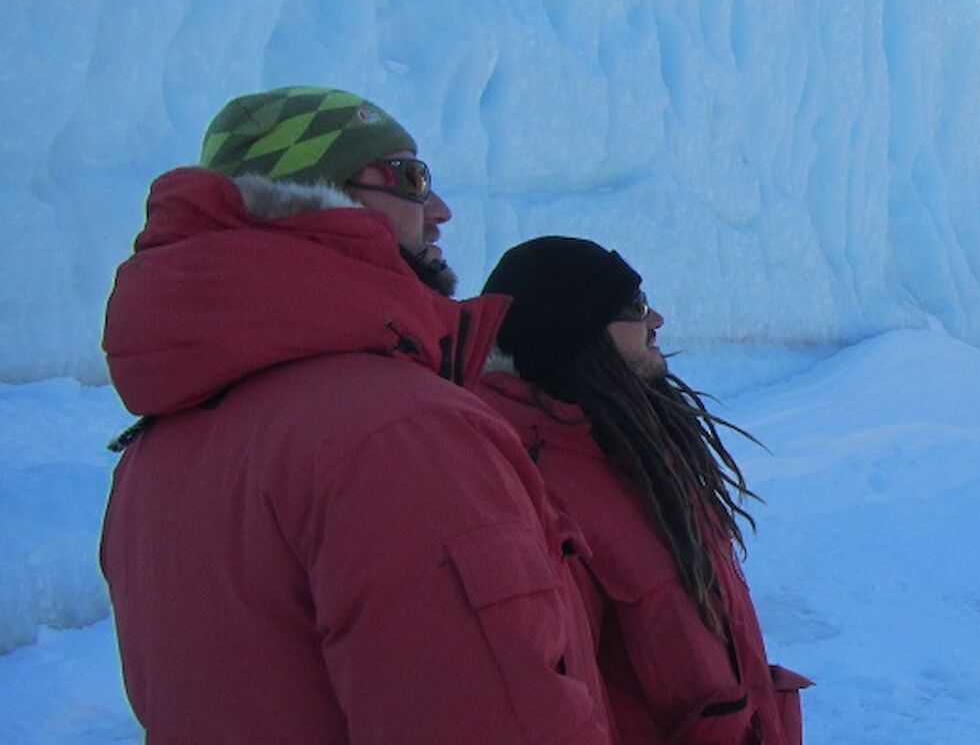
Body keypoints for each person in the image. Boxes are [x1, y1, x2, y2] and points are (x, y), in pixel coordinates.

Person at [99, 86, 611, 745]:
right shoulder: (398, 433)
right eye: (410, 178)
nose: (441, 210)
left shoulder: (154, 455)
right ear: (315, 195)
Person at [477, 236, 811, 745]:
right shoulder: (531, 485)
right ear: (574, 333)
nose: (656, 321)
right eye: (634, 308)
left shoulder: (635, 450)